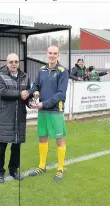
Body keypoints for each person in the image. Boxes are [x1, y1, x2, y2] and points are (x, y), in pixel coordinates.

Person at [28, 45, 69, 182]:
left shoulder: (63, 71)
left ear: (58, 55)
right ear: (47, 54)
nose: (52, 55)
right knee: (42, 138)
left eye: (55, 53)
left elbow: (61, 94)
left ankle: (60, 168)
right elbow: (35, 85)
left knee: (59, 140)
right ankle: (42, 166)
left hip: (55, 110)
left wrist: (43, 104)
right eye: (50, 53)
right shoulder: (42, 70)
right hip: (42, 110)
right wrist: (35, 91)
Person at [0, 53, 31, 183]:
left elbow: (28, 94)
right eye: (11, 62)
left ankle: (14, 170)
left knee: (16, 146)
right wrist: (20, 94)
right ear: (6, 63)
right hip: (5, 117)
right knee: (1, 145)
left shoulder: (25, 76)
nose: (14, 64)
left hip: (19, 116)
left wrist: (30, 103)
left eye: (16, 61)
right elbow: (2, 92)